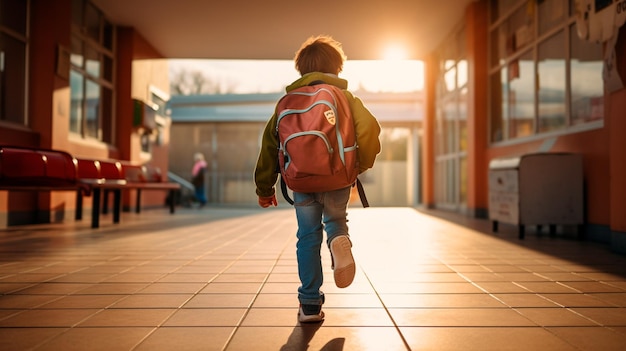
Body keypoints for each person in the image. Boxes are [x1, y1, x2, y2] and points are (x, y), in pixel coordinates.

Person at [254, 35, 381, 323]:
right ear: (337, 68)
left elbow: (269, 147)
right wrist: (359, 165)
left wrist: (264, 188)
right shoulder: (345, 97)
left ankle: (310, 304)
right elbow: (370, 130)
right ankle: (339, 239)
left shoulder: (286, 103)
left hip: (301, 181)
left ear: (302, 70)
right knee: (335, 221)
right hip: (337, 177)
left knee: (307, 238)